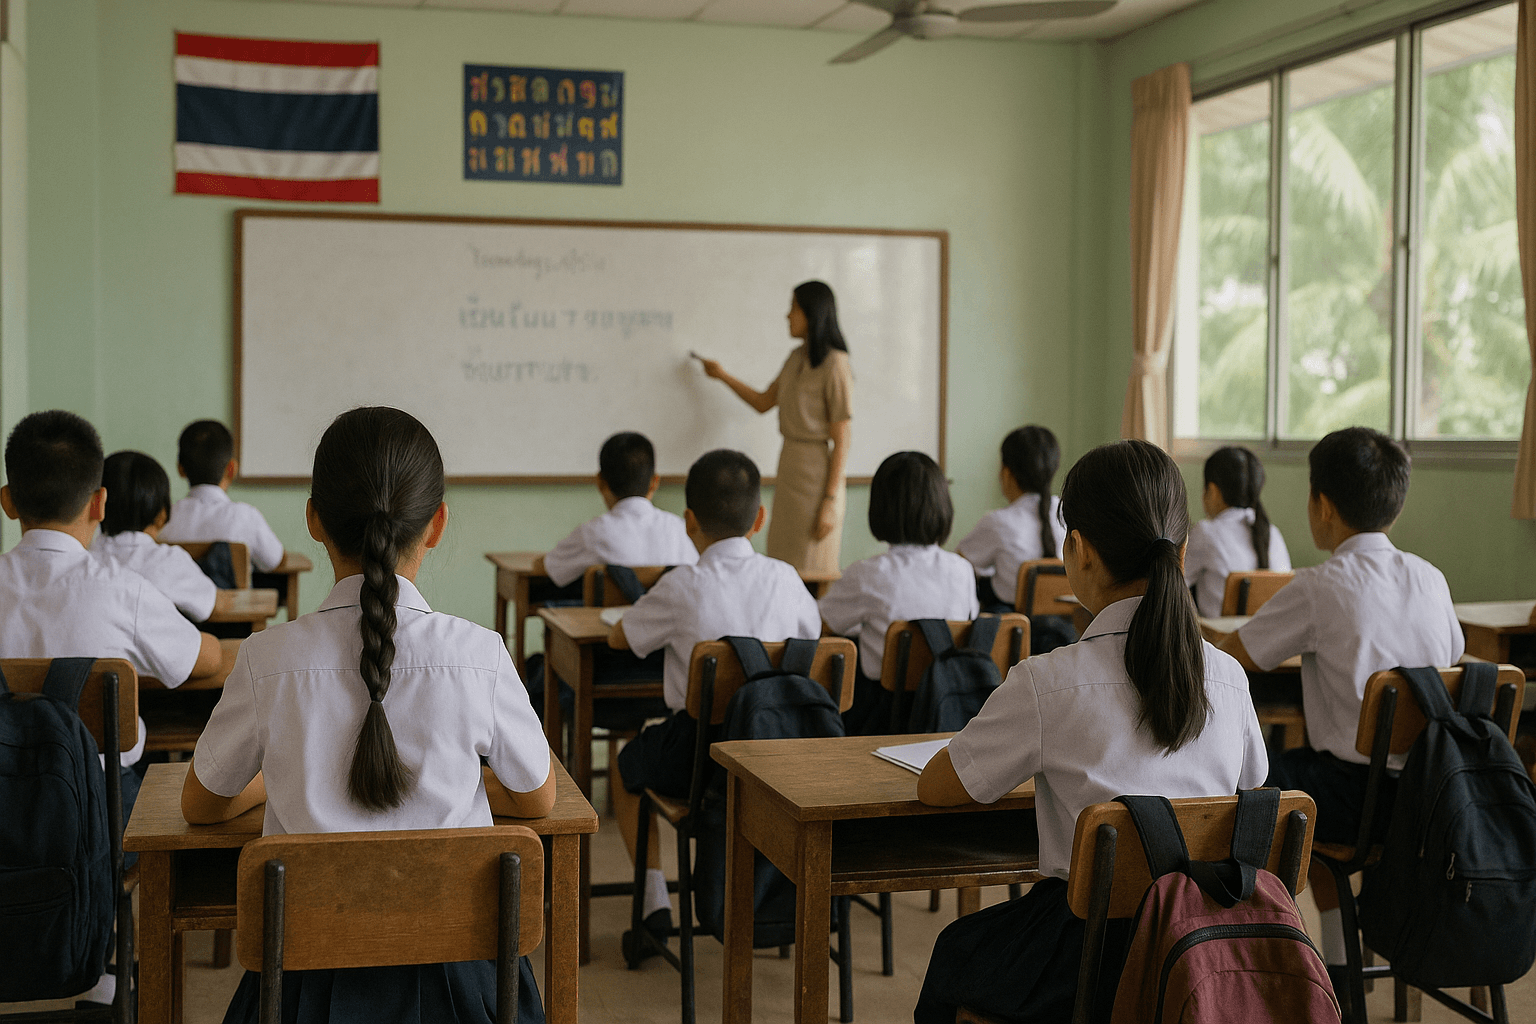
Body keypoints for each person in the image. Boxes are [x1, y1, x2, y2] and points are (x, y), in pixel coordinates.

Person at [180, 407, 554, 1024]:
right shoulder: (478, 654)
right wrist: (453, 783)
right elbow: (538, 799)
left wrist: (289, 777)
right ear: (435, 526)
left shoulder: (266, 658)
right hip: (459, 992)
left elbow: (200, 805)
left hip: (299, 991)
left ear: (313, 520)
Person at [914, 439, 1268, 1024]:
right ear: (1183, 555)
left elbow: (939, 788)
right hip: (1203, 951)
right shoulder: (1228, 678)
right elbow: (1251, 790)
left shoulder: (1048, 682)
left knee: (955, 951)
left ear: (1076, 551)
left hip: (1088, 957)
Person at [1218, 426, 1462, 1002]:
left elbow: (1237, 661)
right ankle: (1345, 963)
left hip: (1352, 803)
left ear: (1321, 505)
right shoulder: (1432, 579)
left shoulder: (1322, 585)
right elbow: (1447, 666)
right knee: (1310, 781)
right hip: (1433, 799)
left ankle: (1322, 967)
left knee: (1247, 786)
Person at [0, 411, 224, 1006]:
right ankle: (102, 976)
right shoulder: (117, 588)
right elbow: (202, 662)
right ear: (99, 503)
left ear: (6, 501)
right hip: (101, 816)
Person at [605, 449, 819, 956]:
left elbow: (622, 640)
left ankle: (656, 902)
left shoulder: (683, 584)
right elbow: (814, 640)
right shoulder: (787, 578)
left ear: (688, 522)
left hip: (705, 761)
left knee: (627, 765)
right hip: (783, 761)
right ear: (760, 519)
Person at [693, 281, 852, 573]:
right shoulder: (795, 358)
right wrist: (721, 376)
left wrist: (829, 501)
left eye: (793, 308)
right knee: (783, 562)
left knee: (813, 568)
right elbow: (764, 401)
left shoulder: (836, 364)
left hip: (817, 476)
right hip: (790, 466)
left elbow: (842, 438)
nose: (787, 316)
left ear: (812, 313)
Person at [817, 451, 977, 734]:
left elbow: (818, 625)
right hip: (951, 713)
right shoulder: (962, 570)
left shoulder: (868, 573)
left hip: (881, 718)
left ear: (880, 508)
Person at [531, 430, 697, 596]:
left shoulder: (593, 533)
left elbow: (546, 567)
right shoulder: (682, 530)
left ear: (600, 482)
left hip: (607, 621)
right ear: (654, 482)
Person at [92, 450, 218, 622]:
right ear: (162, 514)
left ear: (97, 505)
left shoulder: (86, 558)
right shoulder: (169, 560)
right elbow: (206, 605)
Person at [957, 425, 1066, 610]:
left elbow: (958, 565)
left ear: (1006, 473)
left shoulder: (998, 522)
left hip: (1013, 629)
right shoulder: (1067, 512)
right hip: (1066, 627)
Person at [159, 419, 285, 573]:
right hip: (234, 598)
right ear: (232, 468)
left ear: (180, 469)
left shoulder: (163, 520)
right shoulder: (245, 517)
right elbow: (276, 561)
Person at [1184, 446, 1292, 616]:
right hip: (1271, 639)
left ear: (1212, 491)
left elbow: (1172, 585)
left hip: (1222, 639)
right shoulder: (1273, 533)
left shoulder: (1206, 532)